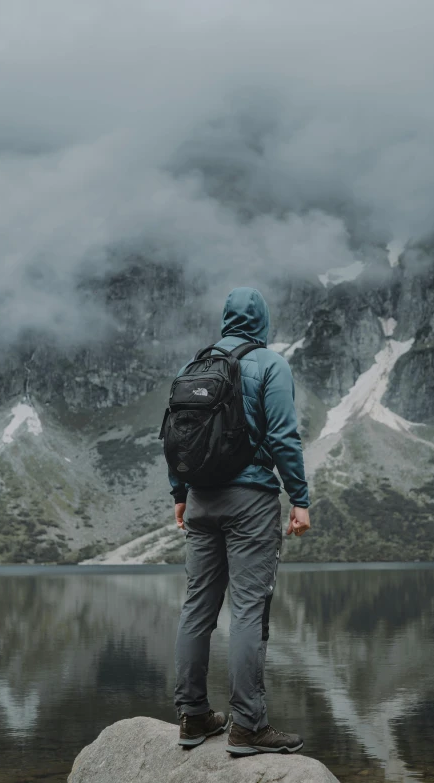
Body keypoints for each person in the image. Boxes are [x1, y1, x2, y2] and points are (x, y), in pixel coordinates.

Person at [170, 286, 311, 755]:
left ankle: (192, 717)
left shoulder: (195, 367)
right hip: (250, 501)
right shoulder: (270, 363)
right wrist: (300, 498)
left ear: (226, 321)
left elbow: (175, 436)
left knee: (196, 609)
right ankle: (247, 726)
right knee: (248, 610)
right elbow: (284, 436)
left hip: (201, 501)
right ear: (262, 322)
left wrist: (179, 495)